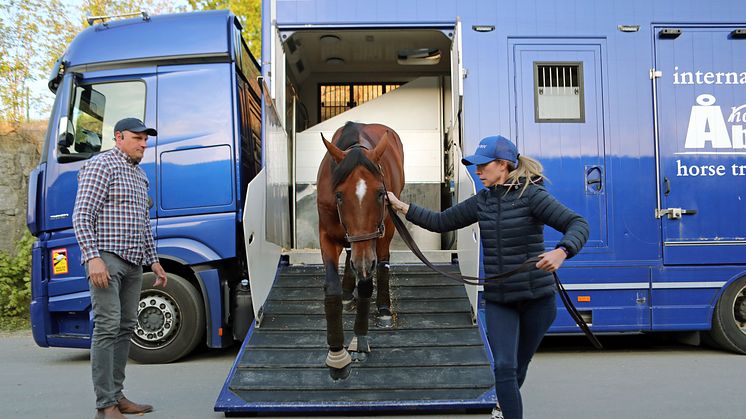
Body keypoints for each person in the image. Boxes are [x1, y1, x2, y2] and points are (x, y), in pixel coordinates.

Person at [387, 135, 589, 419]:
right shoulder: (481, 202)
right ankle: (507, 411)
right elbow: (440, 221)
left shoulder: (532, 196)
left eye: (483, 166)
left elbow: (577, 223)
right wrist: (401, 206)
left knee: (517, 368)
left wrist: (562, 251)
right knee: (504, 367)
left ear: (503, 165)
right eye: (476, 166)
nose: (478, 171)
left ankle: (502, 406)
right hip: (500, 299)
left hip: (537, 301)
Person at [73, 117, 168, 419]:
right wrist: (92, 257)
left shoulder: (141, 177)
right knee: (107, 326)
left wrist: (153, 260)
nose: (143, 144)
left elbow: (142, 226)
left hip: (133, 262)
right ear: (119, 137)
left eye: (146, 140)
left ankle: (117, 395)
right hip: (107, 258)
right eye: (137, 138)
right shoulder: (102, 165)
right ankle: (105, 406)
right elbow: (82, 215)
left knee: (126, 327)